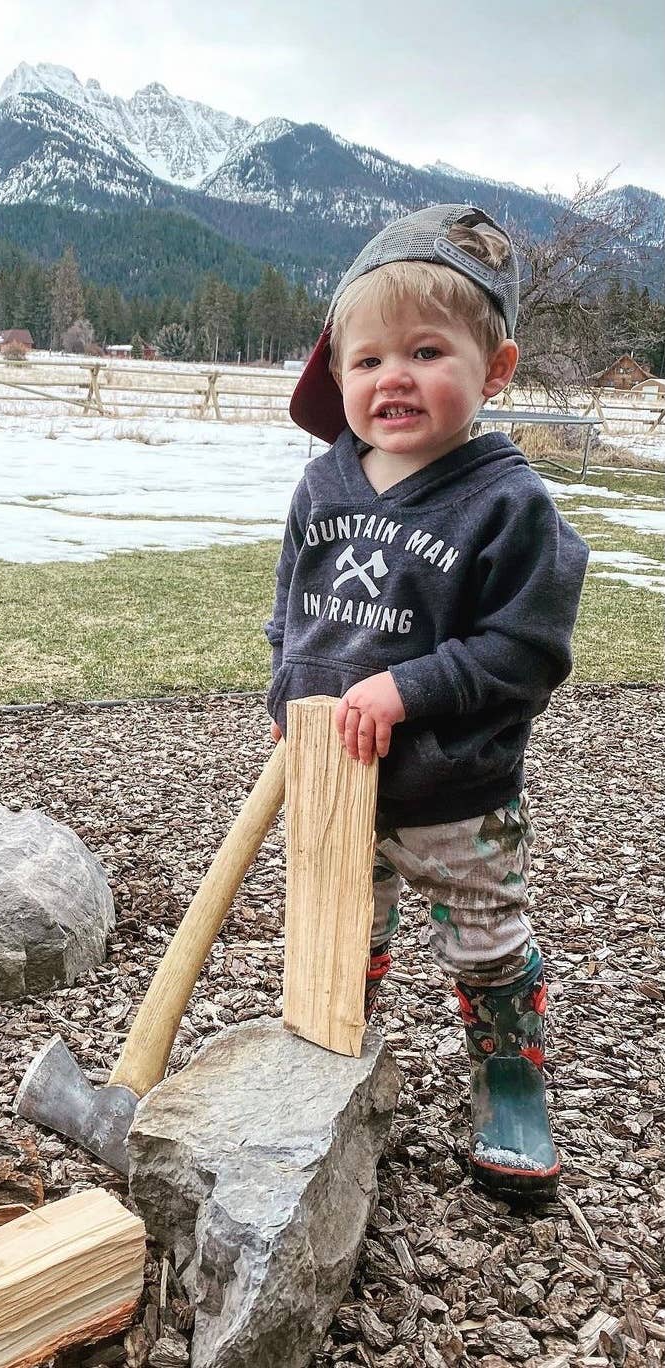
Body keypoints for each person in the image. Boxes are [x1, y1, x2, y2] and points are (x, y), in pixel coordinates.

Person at [266, 204, 589, 1200]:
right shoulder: (324, 486)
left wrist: (410, 688)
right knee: (336, 926)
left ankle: (508, 1080)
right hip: (334, 781)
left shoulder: (506, 505)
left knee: (484, 942)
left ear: (494, 370)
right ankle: (331, 1053)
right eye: (365, 362)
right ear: (337, 377)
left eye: (425, 351)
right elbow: (294, 609)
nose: (391, 377)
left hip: (455, 790)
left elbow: (526, 651)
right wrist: (289, 693)